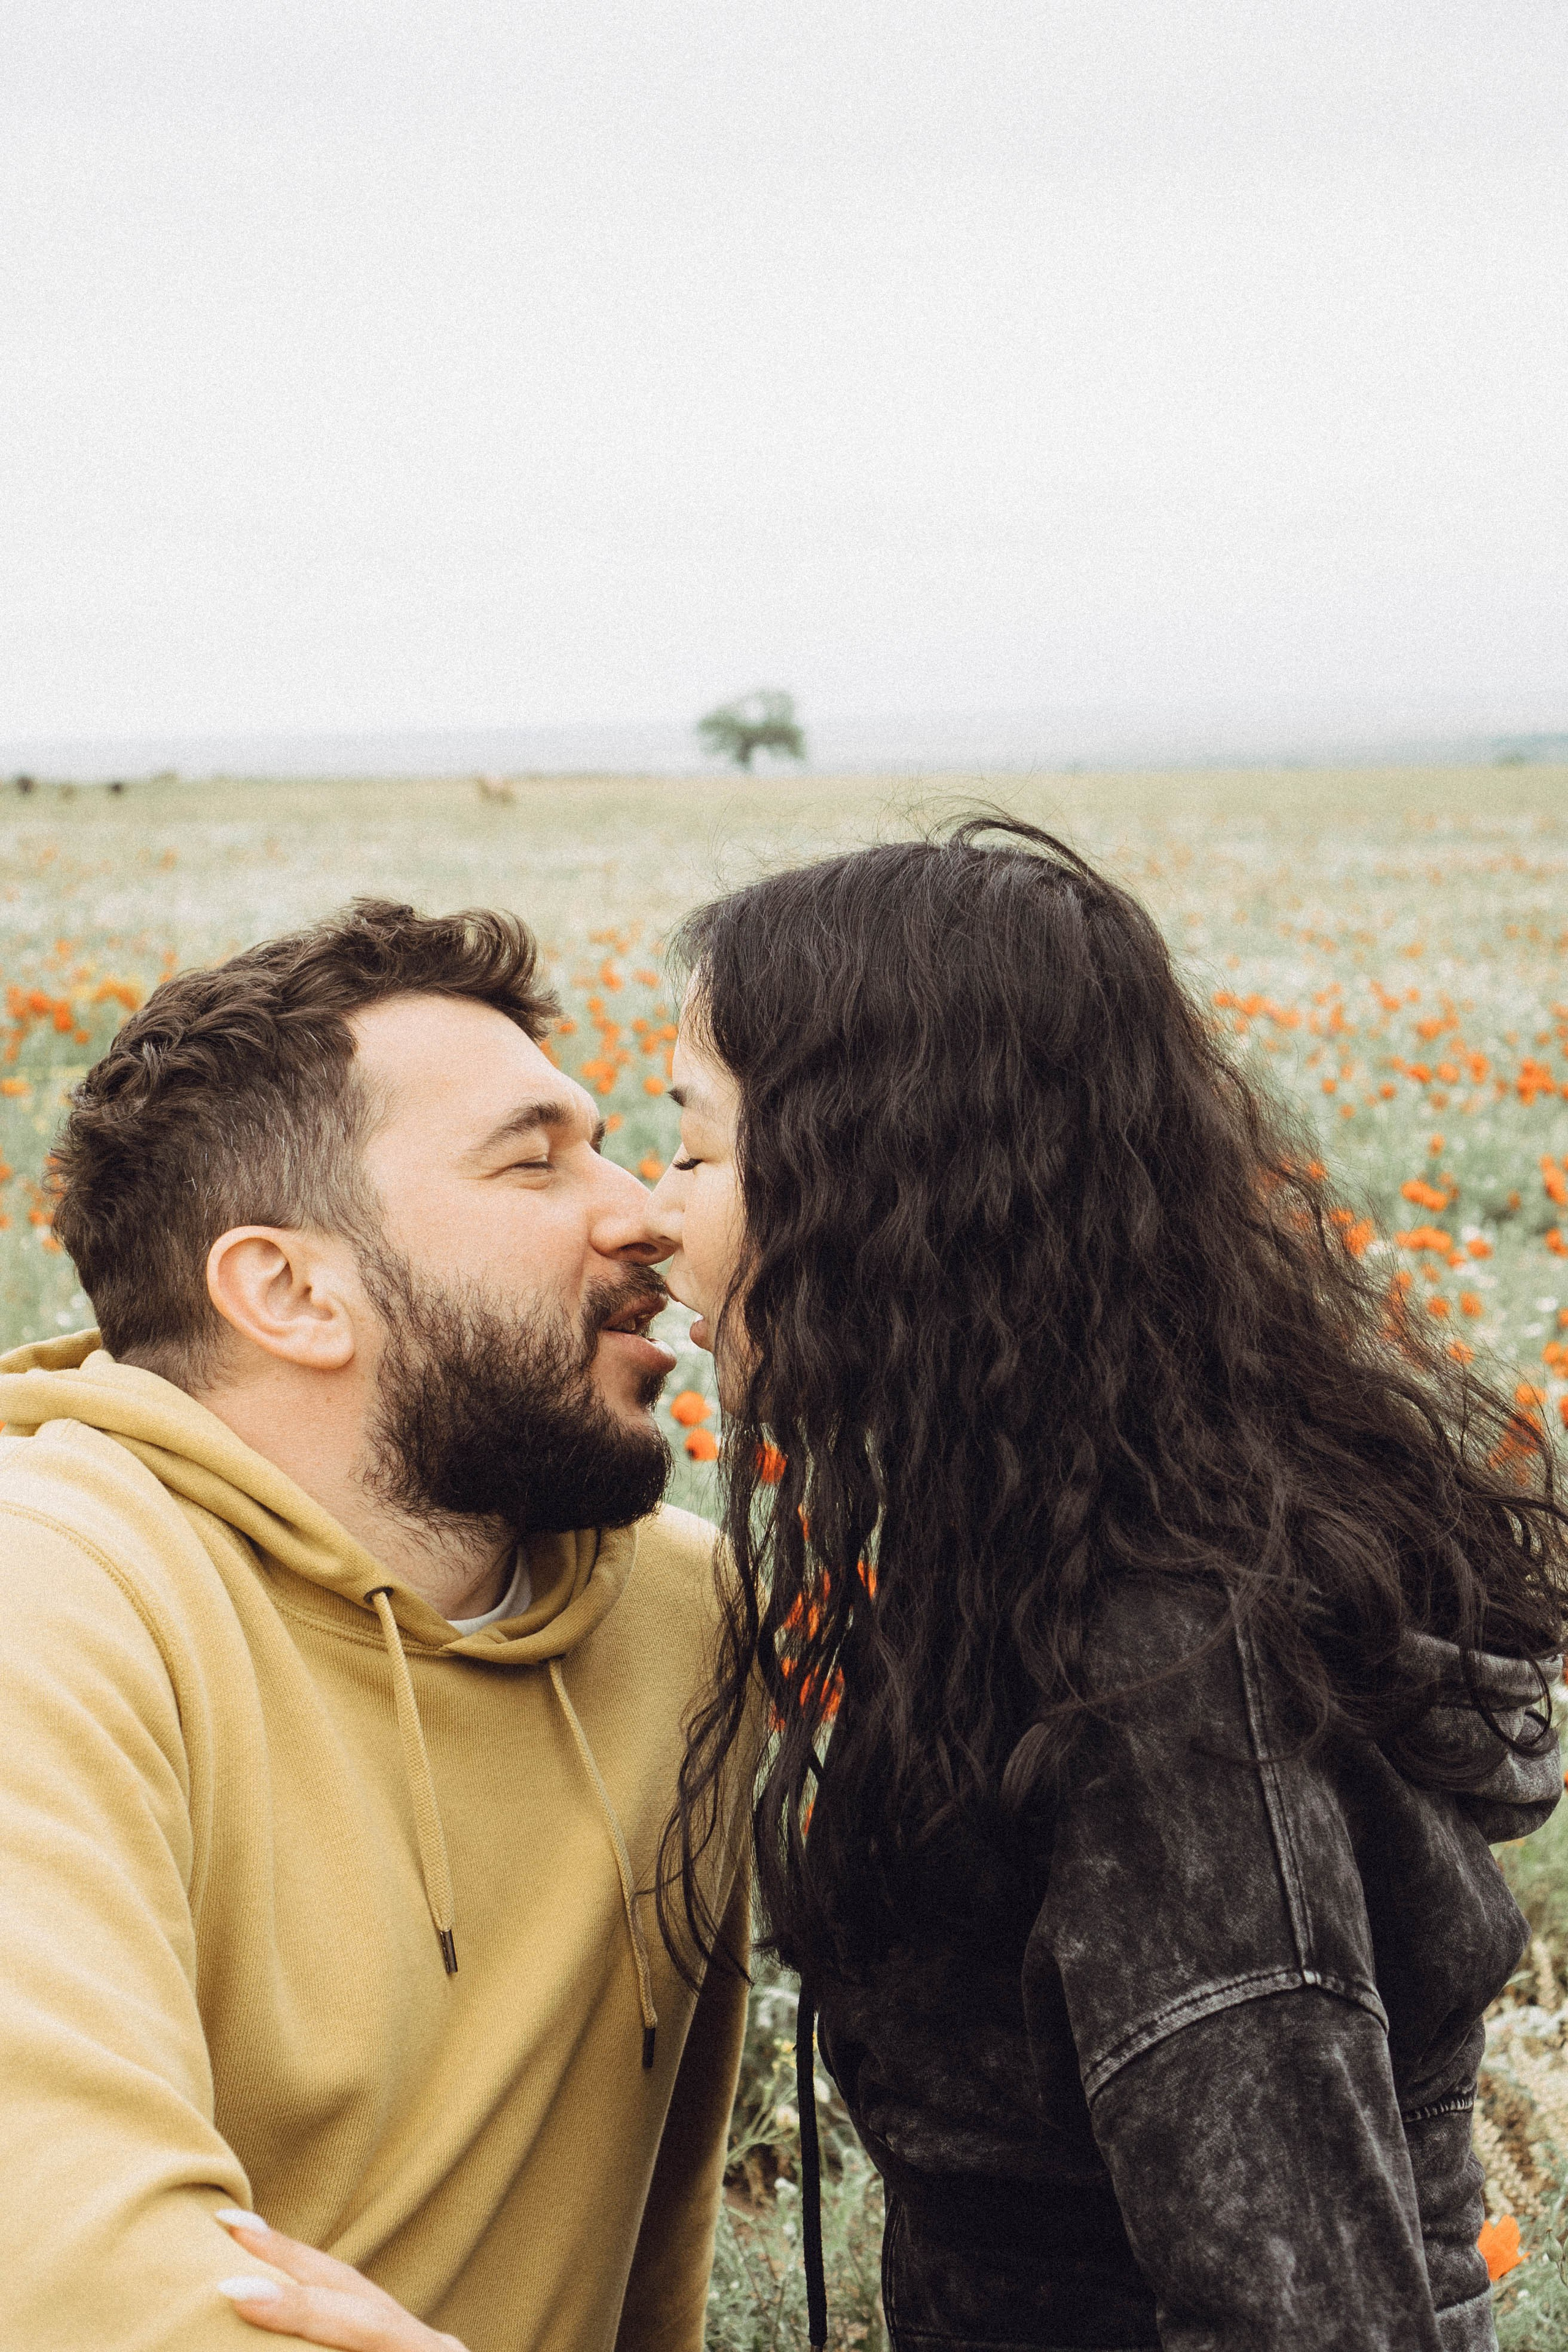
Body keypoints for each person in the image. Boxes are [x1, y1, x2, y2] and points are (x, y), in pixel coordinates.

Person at [647, 820, 1566, 2352]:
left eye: (689, 1145)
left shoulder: (1163, 1676)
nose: (650, 1211)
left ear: (885, 1186)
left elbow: (1299, 2320)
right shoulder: (1029, 1552)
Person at [0, 900, 750, 2352]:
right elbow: (73, 2280)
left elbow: (657, 2263)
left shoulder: (684, 1617)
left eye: (607, 1141)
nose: (643, 1212)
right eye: (534, 1161)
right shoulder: (56, 1595)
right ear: (288, 1291)